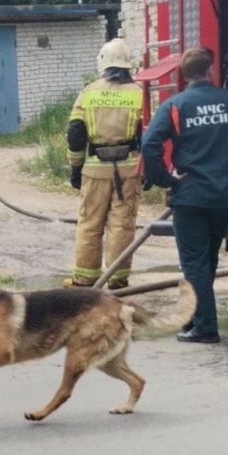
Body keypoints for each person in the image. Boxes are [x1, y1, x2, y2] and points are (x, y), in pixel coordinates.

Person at [141, 46, 228, 344]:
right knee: (206, 261)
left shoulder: (176, 106)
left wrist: (164, 179)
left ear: (184, 74)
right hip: (223, 196)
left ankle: (205, 328)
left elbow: (149, 144)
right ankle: (195, 318)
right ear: (209, 70)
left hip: (189, 196)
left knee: (194, 263)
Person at [64, 38, 143, 290]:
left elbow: (75, 132)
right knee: (122, 224)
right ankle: (117, 279)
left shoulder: (89, 92)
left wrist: (75, 167)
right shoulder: (139, 93)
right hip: (129, 168)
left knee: (90, 223)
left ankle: (84, 279)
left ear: (103, 63)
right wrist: (149, 168)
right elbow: (148, 133)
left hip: (95, 169)